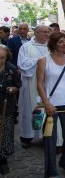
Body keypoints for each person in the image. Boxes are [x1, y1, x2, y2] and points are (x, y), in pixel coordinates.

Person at [37, 32, 65, 176]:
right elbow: (40, 84)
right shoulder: (43, 60)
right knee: (49, 140)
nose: (64, 44)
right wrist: (47, 103)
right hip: (50, 106)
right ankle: (51, 172)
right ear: (53, 44)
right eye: (60, 42)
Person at [17, 25, 51, 148]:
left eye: (48, 32)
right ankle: (27, 136)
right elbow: (22, 64)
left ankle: (43, 135)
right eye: (44, 32)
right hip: (31, 81)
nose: (47, 34)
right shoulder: (25, 47)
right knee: (30, 108)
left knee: (43, 108)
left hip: (46, 82)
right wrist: (39, 61)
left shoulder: (50, 47)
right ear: (36, 33)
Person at [0, 45, 21, 175]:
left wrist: (13, 89)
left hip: (6, 107)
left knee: (4, 133)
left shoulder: (12, 70)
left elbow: (18, 85)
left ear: (7, 57)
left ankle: (3, 161)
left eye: (2, 57)